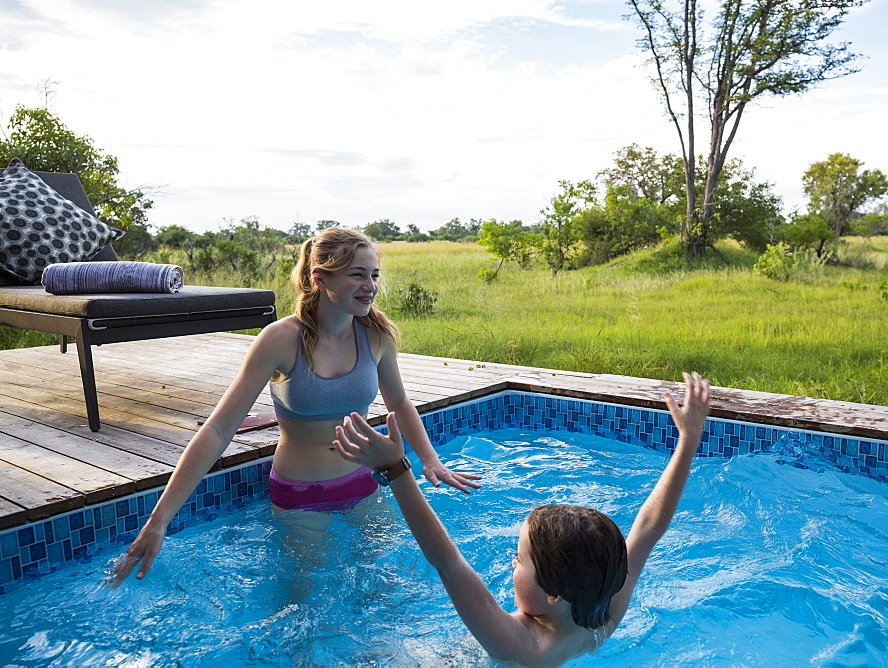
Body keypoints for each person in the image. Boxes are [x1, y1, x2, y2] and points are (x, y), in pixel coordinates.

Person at [110, 228, 481, 588]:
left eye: (374, 275)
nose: (370, 285)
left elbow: (398, 402)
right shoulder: (281, 339)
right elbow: (219, 430)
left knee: (387, 588)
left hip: (365, 484)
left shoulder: (376, 336)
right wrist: (158, 521)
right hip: (300, 494)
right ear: (320, 278)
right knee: (304, 604)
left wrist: (430, 459)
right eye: (357, 275)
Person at [332, 371, 711, 667]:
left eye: (520, 560)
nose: (511, 563)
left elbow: (447, 561)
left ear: (553, 593)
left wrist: (396, 471)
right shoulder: (601, 616)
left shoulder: (521, 644)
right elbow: (648, 528)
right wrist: (687, 441)